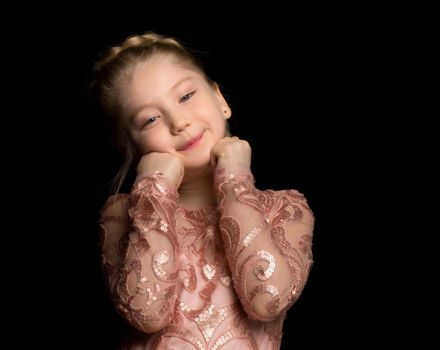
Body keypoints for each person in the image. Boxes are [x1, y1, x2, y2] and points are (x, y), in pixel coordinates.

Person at [94, 32, 314, 349]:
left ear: (220, 100)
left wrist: (235, 180)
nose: (178, 122)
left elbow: (266, 299)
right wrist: (154, 188)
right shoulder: (123, 215)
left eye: (185, 96)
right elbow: (147, 311)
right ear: (129, 146)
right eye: (150, 119)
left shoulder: (285, 208)